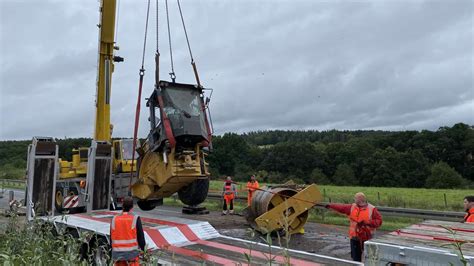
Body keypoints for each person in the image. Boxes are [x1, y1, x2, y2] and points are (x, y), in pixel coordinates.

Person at [325, 192, 382, 262]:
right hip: (355, 238)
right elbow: (341, 207)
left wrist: (366, 222)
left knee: (370, 259)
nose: (354, 200)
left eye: (355, 198)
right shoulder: (352, 207)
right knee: (355, 260)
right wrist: (331, 206)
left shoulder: (372, 209)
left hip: (368, 238)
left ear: (359, 200)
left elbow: (379, 222)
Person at [110, 197, 146, 265]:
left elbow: (111, 239)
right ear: (132, 207)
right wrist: (144, 251)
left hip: (117, 257)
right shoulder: (135, 218)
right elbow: (141, 238)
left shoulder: (114, 219)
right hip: (132, 256)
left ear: (122, 206)